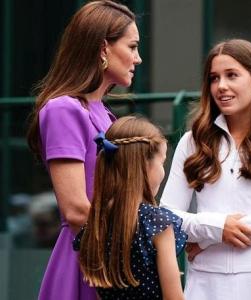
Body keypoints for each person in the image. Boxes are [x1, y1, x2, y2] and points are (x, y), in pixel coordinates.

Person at [160, 39, 251, 300]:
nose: (221, 86)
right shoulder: (192, 141)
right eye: (214, 78)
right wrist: (216, 227)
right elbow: (167, 216)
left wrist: (207, 237)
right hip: (206, 285)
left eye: (232, 75)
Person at [26, 1, 142, 299]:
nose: (137, 58)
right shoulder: (63, 109)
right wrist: (143, 239)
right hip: (87, 261)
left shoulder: (105, 113)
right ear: (104, 48)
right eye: (132, 47)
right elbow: (76, 210)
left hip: (109, 257)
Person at [73, 116, 187, 299]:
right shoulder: (157, 223)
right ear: (144, 165)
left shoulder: (93, 225)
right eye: (162, 162)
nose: (162, 171)